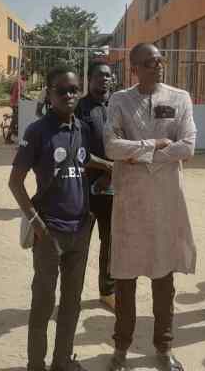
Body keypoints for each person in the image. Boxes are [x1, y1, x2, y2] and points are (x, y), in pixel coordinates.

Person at [104, 43, 197, 371]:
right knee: (125, 278)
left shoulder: (179, 98)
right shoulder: (120, 100)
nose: (156, 66)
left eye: (159, 61)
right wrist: (153, 145)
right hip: (130, 202)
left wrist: (140, 156)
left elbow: (188, 146)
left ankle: (164, 347)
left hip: (166, 202)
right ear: (134, 69)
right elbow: (111, 146)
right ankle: (121, 349)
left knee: (163, 278)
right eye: (148, 62)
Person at [9, 65, 105, 371]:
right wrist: (35, 222)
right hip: (49, 231)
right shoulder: (37, 131)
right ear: (49, 94)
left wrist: (109, 166)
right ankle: (36, 364)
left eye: (74, 90)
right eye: (62, 91)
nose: (69, 95)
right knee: (43, 302)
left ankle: (62, 361)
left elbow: (82, 159)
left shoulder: (83, 128)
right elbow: (15, 182)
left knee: (72, 302)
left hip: (80, 229)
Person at [75, 61, 115, 310]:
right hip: (85, 188)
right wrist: (106, 169)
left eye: (108, 75)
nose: (105, 79)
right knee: (80, 244)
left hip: (114, 188)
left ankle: (107, 291)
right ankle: (72, 295)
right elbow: (77, 150)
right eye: (100, 75)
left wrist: (111, 175)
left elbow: (129, 142)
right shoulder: (79, 108)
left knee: (111, 242)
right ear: (89, 79)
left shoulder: (118, 106)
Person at [7, 72, 27, 143]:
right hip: (16, 104)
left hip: (15, 103)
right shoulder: (19, 82)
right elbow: (20, 94)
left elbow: (10, 92)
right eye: (26, 75)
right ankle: (8, 137)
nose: (26, 76)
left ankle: (17, 133)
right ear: (23, 75)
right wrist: (27, 98)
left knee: (18, 119)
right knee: (15, 120)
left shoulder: (18, 82)